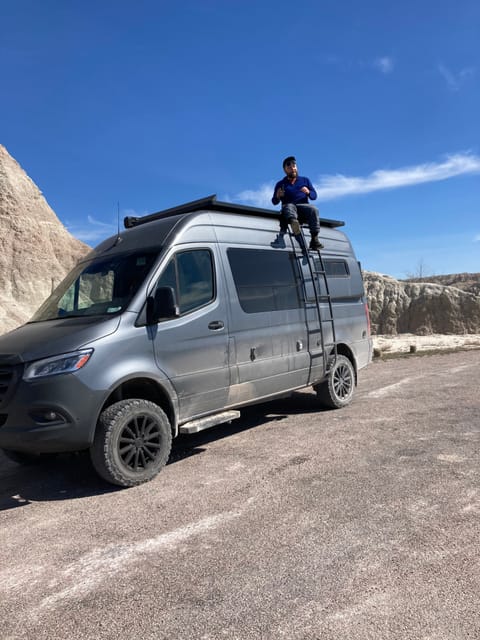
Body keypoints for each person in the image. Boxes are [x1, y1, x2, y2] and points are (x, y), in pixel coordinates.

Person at [271, 156, 323, 250]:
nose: (292, 168)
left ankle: (314, 240)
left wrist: (308, 192)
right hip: (289, 208)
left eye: (294, 166)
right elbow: (274, 202)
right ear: (285, 170)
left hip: (303, 207)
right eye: (289, 167)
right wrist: (277, 196)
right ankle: (294, 225)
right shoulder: (280, 184)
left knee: (314, 209)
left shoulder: (305, 180)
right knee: (289, 206)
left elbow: (314, 196)